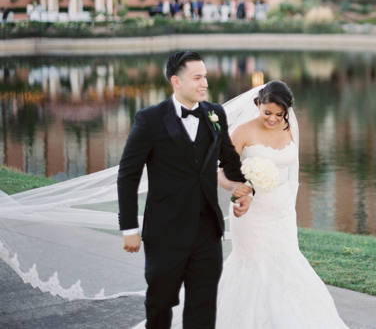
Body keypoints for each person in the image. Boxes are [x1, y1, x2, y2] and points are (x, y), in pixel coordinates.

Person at [117, 51, 253, 329]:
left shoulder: (215, 113)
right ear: (176, 81)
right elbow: (128, 175)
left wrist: (244, 190)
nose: (205, 83)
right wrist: (129, 228)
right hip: (165, 231)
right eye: (198, 78)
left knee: (203, 308)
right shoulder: (149, 120)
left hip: (207, 231)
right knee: (160, 304)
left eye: (206, 76)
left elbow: (229, 159)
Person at [213, 81, 349, 329]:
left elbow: (290, 174)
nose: (273, 119)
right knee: (252, 266)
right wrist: (236, 189)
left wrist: (289, 206)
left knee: (286, 264)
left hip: (282, 212)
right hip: (251, 213)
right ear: (258, 104)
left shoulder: (290, 130)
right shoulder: (242, 132)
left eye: (279, 114)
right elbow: (221, 172)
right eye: (267, 113)